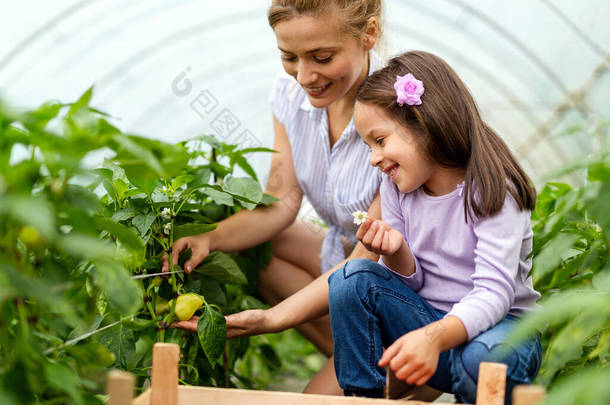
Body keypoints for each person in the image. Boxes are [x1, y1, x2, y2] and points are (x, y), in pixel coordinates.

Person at [165, 0, 385, 395]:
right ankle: (367, 362)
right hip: (343, 257)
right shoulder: (290, 97)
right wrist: (208, 238)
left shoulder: (399, 111)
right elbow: (281, 199)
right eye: (289, 57)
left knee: (309, 401)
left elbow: (368, 257)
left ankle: (384, 363)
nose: (304, 75)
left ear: (369, 34)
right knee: (256, 246)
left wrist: (271, 319)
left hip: (394, 284)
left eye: (321, 57)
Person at [326, 50, 542, 404]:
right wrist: (396, 253)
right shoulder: (396, 188)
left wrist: (433, 339)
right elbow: (413, 284)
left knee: (481, 359)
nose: (373, 158)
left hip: (499, 334)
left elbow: (494, 294)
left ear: (424, 123)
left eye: (379, 141)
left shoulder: (494, 190)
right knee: (351, 279)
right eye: (368, 145)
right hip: (430, 328)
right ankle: (362, 397)